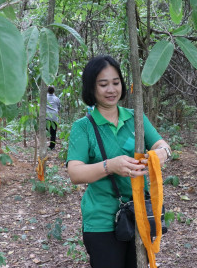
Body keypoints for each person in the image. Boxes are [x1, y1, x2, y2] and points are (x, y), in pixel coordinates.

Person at [66, 55, 171, 268]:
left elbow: (164, 146)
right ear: (91, 88)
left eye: (116, 83)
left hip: (140, 214)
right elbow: (75, 173)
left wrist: (161, 153)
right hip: (102, 219)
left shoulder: (136, 118)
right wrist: (110, 166)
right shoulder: (83, 127)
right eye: (103, 84)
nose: (111, 89)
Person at [46, 86, 60, 150]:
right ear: (54, 91)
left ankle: (44, 145)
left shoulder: (44, 97)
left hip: (46, 117)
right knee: (53, 133)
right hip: (54, 117)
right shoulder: (56, 98)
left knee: (45, 131)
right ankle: (52, 146)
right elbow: (59, 107)